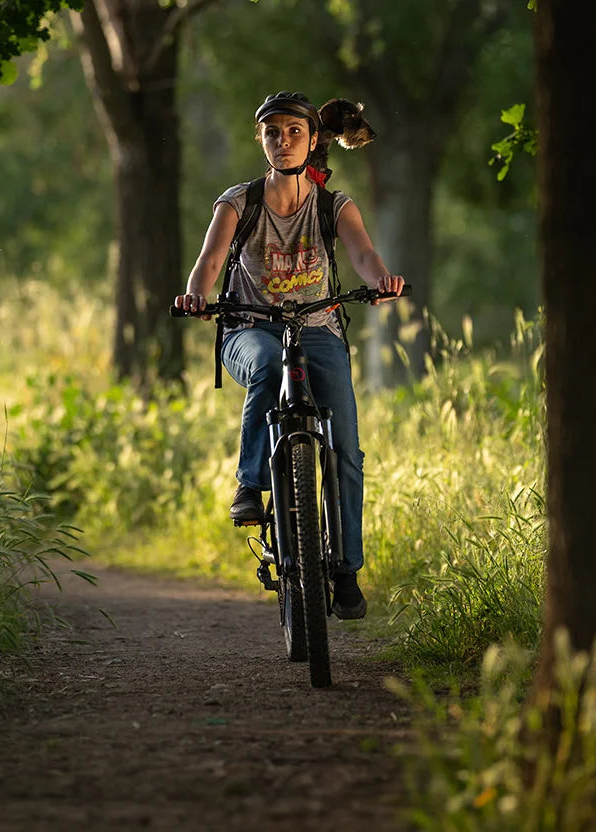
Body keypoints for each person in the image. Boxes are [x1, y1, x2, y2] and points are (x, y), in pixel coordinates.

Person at [174, 91, 404, 620]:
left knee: (345, 447)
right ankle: (250, 486)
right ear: (261, 140)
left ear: (314, 139)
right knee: (267, 367)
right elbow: (209, 261)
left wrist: (382, 280)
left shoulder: (333, 205)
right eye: (273, 132)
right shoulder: (239, 201)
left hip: (318, 328)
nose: (283, 141)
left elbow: (364, 253)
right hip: (250, 328)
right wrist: (195, 295)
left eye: (294, 131)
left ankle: (345, 568)